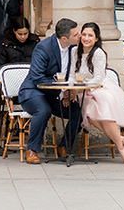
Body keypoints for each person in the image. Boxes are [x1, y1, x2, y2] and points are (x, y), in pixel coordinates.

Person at [17, 17, 83, 165]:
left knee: (77, 112)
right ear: (65, 38)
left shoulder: (74, 48)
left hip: (54, 94)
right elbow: (37, 77)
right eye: (76, 34)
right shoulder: (44, 48)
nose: (79, 36)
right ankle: (32, 150)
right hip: (33, 92)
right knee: (43, 110)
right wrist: (61, 87)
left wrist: (68, 91)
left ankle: (64, 147)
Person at [75, 22, 124, 164]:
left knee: (103, 105)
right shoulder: (74, 52)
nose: (86, 38)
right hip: (81, 90)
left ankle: (121, 148)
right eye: (84, 34)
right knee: (90, 116)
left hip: (98, 86)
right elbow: (72, 73)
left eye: (90, 35)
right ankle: (119, 139)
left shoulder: (98, 53)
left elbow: (98, 77)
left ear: (96, 39)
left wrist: (86, 86)